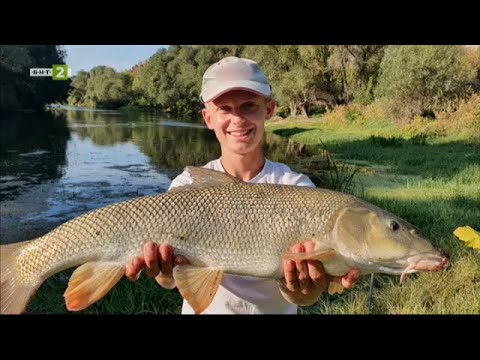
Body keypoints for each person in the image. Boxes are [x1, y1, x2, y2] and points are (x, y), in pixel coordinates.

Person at [125, 56, 360, 314]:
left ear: (269, 110)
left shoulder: (297, 187)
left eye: (249, 106)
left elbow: (306, 298)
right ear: (208, 118)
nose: (237, 119)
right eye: (225, 109)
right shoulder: (187, 185)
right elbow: (169, 281)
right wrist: (163, 272)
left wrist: (304, 290)